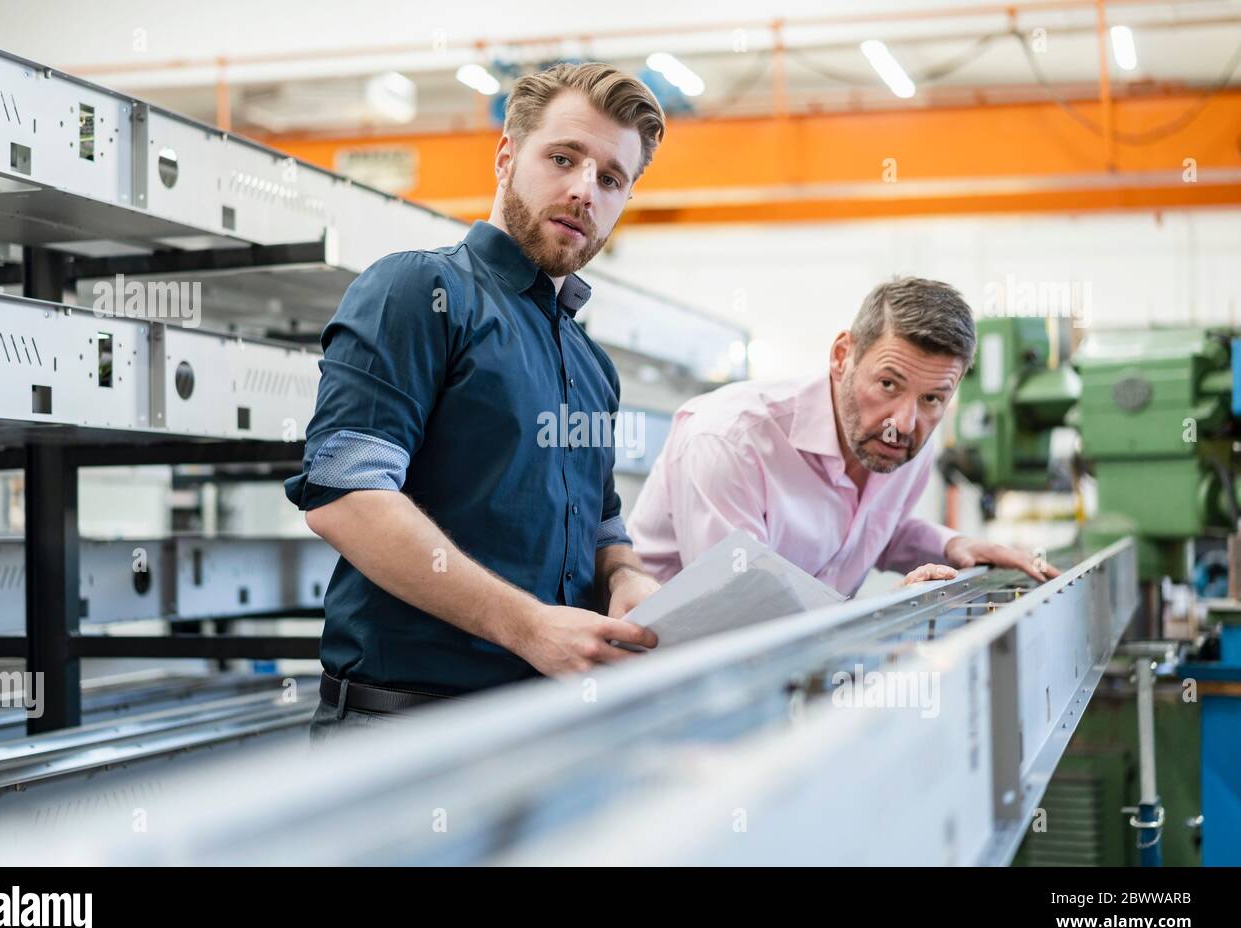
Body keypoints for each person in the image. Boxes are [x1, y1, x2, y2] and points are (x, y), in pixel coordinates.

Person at [287, 63, 666, 742]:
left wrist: (627, 575)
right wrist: (529, 628)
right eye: (562, 158)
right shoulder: (420, 291)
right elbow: (345, 496)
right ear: (505, 157)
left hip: (545, 727)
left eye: (612, 179)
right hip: (402, 733)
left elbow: (603, 522)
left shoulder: (590, 363)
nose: (584, 190)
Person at [627, 277, 1060, 597]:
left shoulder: (904, 446)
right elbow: (741, 608)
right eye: (888, 385)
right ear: (841, 356)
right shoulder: (729, 438)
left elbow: (865, 529)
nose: (904, 423)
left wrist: (954, 546)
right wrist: (884, 613)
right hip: (668, 687)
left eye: (932, 398)